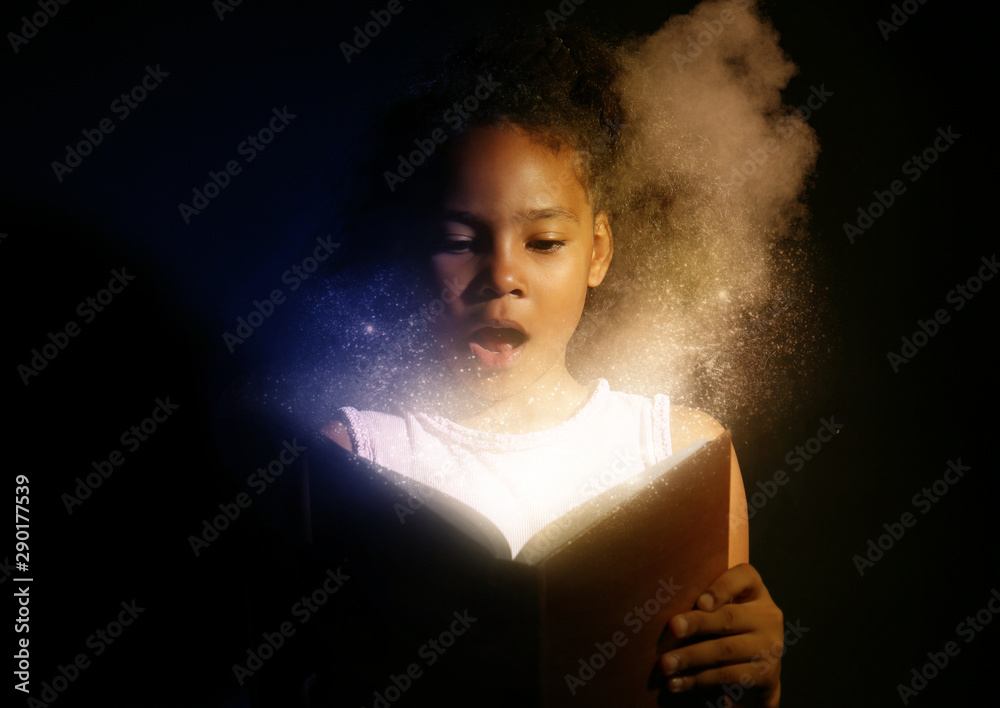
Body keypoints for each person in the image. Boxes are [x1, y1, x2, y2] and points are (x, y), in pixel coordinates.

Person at [319, 23, 784, 708]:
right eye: (458, 240)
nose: (502, 275)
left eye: (543, 241)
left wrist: (759, 683)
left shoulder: (687, 455)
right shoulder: (351, 456)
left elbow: (719, 689)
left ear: (597, 251)